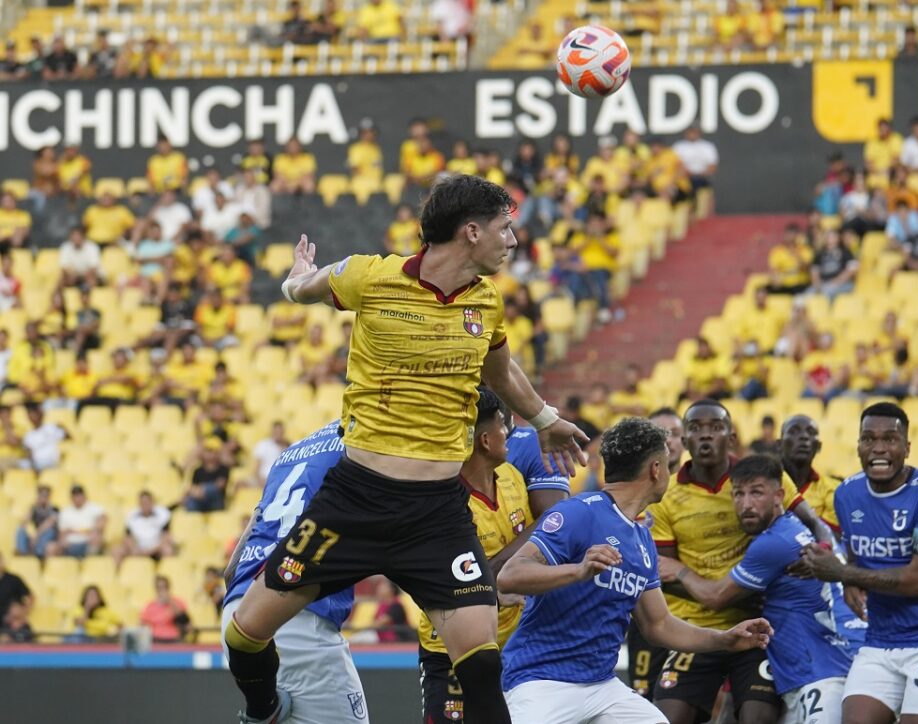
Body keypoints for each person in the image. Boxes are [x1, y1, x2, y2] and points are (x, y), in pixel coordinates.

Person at [225, 175, 586, 724]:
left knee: (482, 666)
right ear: (471, 232)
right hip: (352, 504)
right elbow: (301, 290)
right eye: (504, 228)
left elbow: (501, 371)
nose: (513, 240)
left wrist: (545, 419)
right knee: (244, 635)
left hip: (436, 515)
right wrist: (297, 278)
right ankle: (263, 710)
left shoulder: (486, 301)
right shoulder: (371, 276)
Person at [498, 417, 773, 724]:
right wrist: (578, 571)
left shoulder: (641, 536)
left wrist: (725, 639)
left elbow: (659, 625)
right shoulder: (578, 512)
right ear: (656, 469)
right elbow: (510, 576)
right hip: (543, 681)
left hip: (602, 686)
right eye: (666, 462)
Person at [648, 399, 831, 724]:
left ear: (731, 437)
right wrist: (721, 593)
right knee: (667, 718)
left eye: (716, 428)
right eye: (696, 429)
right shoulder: (665, 497)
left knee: (756, 717)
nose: (706, 436)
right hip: (694, 629)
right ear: (684, 441)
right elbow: (666, 575)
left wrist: (823, 554)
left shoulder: (763, 474)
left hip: (756, 627)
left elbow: (816, 524)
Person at [800, 402, 918, 724]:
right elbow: (855, 551)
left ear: (906, 447)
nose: (878, 448)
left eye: (890, 439)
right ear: (858, 446)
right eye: (868, 439)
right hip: (879, 641)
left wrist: (844, 574)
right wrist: (850, 580)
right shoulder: (846, 494)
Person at [668, 455, 855, 724]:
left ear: (779, 495)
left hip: (817, 674)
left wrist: (679, 570)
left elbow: (716, 597)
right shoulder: (799, 528)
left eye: (756, 493)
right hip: (819, 666)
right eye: (738, 494)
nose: (746, 504)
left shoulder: (774, 542)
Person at [223, 419, 367, 724]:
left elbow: (231, 570)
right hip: (297, 613)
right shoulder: (367, 442)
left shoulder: (290, 454)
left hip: (239, 612)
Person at [419, 389, 541, 723]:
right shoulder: (445, 504)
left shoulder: (513, 478)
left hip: (512, 646)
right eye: (503, 425)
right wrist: (496, 584)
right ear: (485, 440)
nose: (509, 433)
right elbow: (450, 584)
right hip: (452, 652)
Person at [627, 408, 685, 701]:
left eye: (674, 433)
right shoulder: (630, 492)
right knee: (642, 696)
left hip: (690, 612)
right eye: (660, 434)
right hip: (644, 610)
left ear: (685, 441)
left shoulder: (694, 493)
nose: (668, 441)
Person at [112, 490, 175, 566]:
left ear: (152, 502)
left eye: (147, 502)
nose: (145, 505)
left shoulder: (162, 515)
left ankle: (164, 572)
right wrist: (134, 549)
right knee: (117, 550)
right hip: (137, 549)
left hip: (156, 549)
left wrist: (153, 549)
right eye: (142, 502)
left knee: (168, 550)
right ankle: (119, 575)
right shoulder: (131, 516)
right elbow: (127, 537)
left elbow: (166, 536)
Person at [47, 484, 106, 558]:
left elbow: (103, 519)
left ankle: (89, 566)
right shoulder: (66, 512)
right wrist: (63, 540)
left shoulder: (93, 508)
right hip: (70, 543)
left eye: (79, 495)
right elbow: (62, 533)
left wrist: (94, 531)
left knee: (96, 540)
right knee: (51, 547)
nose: (77, 498)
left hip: (87, 541)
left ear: (84, 496)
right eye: (75, 496)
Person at [140, 575, 191, 643]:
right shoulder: (150, 606)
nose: (162, 590)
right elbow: (143, 624)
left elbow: (185, 622)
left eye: (164, 587)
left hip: (174, 638)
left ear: (168, 588)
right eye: (159, 587)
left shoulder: (177, 602)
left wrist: (170, 602)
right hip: (155, 638)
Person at [15, 485, 60, 558]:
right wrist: (32, 508)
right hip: (37, 536)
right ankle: (22, 553)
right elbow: (23, 523)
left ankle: (39, 554)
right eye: (41, 495)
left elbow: (48, 524)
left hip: (49, 536)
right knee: (20, 530)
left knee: (49, 531)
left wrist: (36, 535)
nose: (44, 497)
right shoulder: (34, 509)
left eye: (46, 495)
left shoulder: (54, 509)